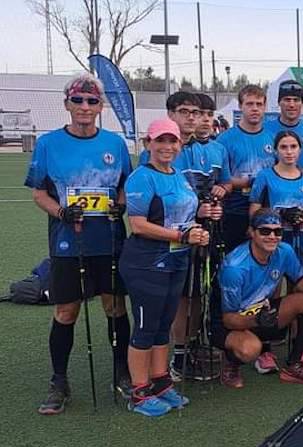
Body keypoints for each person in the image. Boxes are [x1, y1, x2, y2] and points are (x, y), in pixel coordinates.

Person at [28, 73, 132, 415]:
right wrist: (60, 211)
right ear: (67, 104)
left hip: (109, 239)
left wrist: (120, 204)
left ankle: (123, 372)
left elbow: (125, 186)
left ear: (101, 106)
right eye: (78, 100)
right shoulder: (47, 143)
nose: (85, 107)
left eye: (92, 101)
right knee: (66, 311)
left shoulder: (115, 144)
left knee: (114, 307)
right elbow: (39, 193)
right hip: (68, 243)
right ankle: (59, 380)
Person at [119, 118, 214, 417]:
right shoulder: (141, 177)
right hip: (146, 262)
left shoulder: (179, 176)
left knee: (163, 326)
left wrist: (202, 218)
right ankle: (139, 391)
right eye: (160, 140)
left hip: (177, 260)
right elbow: (138, 224)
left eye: (172, 141)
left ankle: (160, 383)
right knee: (146, 328)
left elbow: (184, 212)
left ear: (179, 144)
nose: (167, 147)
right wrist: (182, 235)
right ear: (148, 144)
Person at [215, 209, 303, 388]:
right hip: (229, 322)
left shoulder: (284, 251)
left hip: (263, 312)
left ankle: (294, 364)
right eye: (265, 231)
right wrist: (256, 320)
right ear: (252, 232)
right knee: (251, 349)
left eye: (278, 231)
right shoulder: (235, 267)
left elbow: (299, 280)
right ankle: (230, 362)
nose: (272, 236)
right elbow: (228, 319)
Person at [162, 91, 229, 382]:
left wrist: (219, 195)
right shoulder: (168, 147)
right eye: (190, 113)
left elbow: (223, 181)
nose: (197, 119)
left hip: (206, 231)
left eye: (201, 113)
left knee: (199, 290)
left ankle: (189, 347)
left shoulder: (215, 149)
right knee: (179, 296)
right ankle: (176, 355)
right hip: (173, 234)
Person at [247, 130, 303, 373]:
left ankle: (298, 351)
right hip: (272, 243)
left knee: (300, 292)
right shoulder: (266, 176)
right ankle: (266, 350)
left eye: (293, 147)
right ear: (276, 150)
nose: (289, 152)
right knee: (271, 292)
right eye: (284, 147)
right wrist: (278, 216)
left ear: (300, 150)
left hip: (299, 242)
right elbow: (254, 212)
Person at [216, 85, 276, 251]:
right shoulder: (225, 140)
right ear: (241, 106)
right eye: (250, 104)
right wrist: (250, 182)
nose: (255, 109)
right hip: (236, 209)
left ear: (265, 107)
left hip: (267, 209)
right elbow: (220, 179)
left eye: (259, 104)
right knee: (235, 258)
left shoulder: (272, 138)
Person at [264, 80, 303, 173]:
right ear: (279, 102)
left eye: (296, 100)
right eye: (287, 100)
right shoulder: (265, 129)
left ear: (302, 103)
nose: (292, 105)